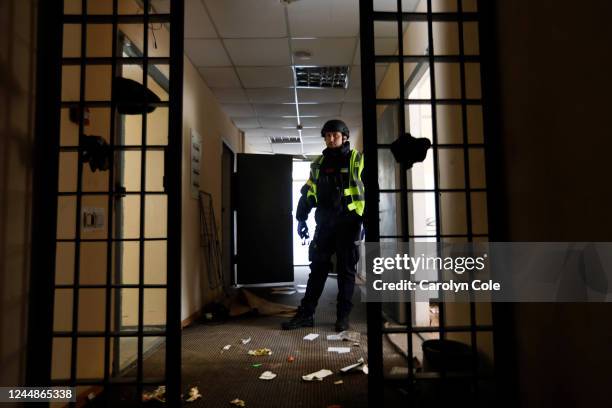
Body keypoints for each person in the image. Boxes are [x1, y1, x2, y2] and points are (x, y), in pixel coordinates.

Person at [282, 119, 364, 332]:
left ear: (344, 136)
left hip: (349, 224)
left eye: (335, 135)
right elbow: (309, 191)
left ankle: (342, 317)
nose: (330, 139)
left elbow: (369, 192)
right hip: (325, 224)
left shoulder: (356, 160)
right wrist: (301, 217)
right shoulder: (318, 164)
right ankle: (306, 314)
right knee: (317, 269)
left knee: (346, 272)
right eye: (327, 135)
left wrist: (367, 222)